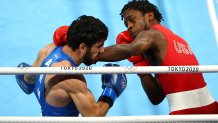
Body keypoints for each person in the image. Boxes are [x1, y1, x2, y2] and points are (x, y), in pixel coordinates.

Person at [46, 0, 218, 114]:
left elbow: (129, 49)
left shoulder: (152, 34)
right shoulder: (172, 40)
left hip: (187, 112)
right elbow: (156, 97)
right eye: (126, 23)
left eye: (131, 20)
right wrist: (141, 66)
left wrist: (85, 51)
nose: (128, 26)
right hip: (210, 108)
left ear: (149, 15)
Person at [15, 15, 127, 116]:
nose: (103, 50)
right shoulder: (71, 78)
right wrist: (111, 92)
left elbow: (27, 78)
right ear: (83, 47)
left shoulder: (48, 50)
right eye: (99, 46)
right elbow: (94, 116)